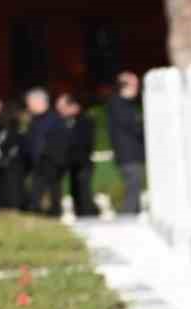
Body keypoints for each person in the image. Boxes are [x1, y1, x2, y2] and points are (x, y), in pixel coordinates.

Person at [106, 72, 146, 216]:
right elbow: (133, 126)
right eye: (134, 85)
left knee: (135, 188)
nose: (137, 88)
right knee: (133, 189)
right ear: (124, 86)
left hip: (131, 155)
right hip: (128, 155)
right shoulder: (118, 104)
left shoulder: (124, 104)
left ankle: (132, 217)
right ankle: (126, 218)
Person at [23, 88, 62, 215]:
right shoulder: (33, 121)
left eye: (29, 103)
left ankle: (53, 213)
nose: (28, 106)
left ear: (38, 102)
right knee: (36, 193)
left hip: (50, 162)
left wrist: (49, 157)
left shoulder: (54, 120)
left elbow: (56, 143)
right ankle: (37, 212)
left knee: (52, 192)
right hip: (37, 163)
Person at [58, 93, 98, 218]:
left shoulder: (84, 121)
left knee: (83, 192)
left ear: (73, 106)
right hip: (73, 164)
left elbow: (82, 143)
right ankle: (81, 214)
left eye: (64, 108)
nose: (61, 111)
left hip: (82, 162)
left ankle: (89, 215)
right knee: (75, 192)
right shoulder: (66, 121)